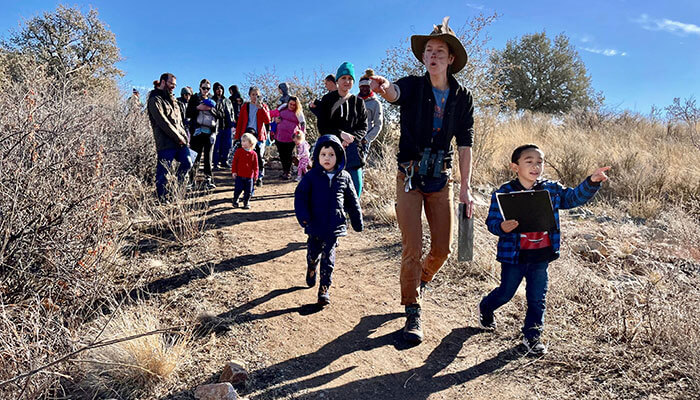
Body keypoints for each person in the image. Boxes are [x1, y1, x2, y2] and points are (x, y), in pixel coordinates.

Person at [369, 17, 475, 344]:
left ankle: (420, 280)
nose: (432, 56)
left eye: (439, 51)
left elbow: (466, 142)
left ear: (451, 59)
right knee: (412, 246)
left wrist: (466, 189)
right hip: (409, 177)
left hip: (441, 179)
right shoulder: (414, 86)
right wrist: (383, 87)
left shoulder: (462, 97)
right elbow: (394, 92)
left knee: (442, 249)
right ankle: (412, 310)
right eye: (428, 50)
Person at [481, 144, 610, 355]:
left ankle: (532, 337)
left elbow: (572, 198)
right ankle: (486, 307)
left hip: (541, 255)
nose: (535, 166)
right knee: (506, 293)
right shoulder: (503, 192)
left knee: (537, 297)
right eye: (529, 161)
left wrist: (591, 182)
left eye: (540, 162)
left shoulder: (551, 189)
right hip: (514, 256)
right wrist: (502, 227)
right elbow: (492, 222)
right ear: (515, 167)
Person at [294, 134, 363, 306]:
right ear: (317, 156)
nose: (327, 158)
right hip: (315, 225)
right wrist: (303, 218)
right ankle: (311, 267)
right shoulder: (311, 177)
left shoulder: (344, 177)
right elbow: (300, 197)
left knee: (329, 259)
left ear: (338, 156)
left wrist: (357, 221)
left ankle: (324, 289)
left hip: (334, 226)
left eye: (331, 154)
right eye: (323, 154)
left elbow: (352, 201)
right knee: (313, 254)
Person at [317, 62, 367, 196]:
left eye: (350, 78)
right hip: (331, 149)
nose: (347, 81)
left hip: (353, 149)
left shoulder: (359, 102)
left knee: (356, 188)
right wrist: (340, 135)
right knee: (332, 188)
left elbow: (363, 126)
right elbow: (322, 126)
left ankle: (353, 213)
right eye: (344, 78)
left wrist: (351, 139)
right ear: (337, 80)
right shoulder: (327, 100)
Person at [146, 73, 191, 201]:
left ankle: (177, 191)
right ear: (163, 82)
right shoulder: (155, 99)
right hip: (165, 142)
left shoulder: (173, 99)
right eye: (171, 84)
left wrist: (185, 137)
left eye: (175, 85)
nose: (173, 87)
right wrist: (178, 137)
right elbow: (163, 122)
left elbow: (179, 122)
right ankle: (162, 198)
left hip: (180, 141)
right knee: (163, 172)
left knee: (187, 162)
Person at [186, 79, 222, 189]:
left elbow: (220, 114)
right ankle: (191, 180)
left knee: (208, 157)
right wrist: (198, 108)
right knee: (195, 157)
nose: (206, 90)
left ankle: (208, 180)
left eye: (208, 88)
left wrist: (211, 109)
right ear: (200, 87)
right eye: (204, 88)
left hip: (210, 132)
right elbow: (188, 113)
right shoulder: (194, 98)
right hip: (197, 131)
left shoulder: (213, 99)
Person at [235, 86, 271, 187]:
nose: (255, 97)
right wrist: (238, 137)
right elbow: (240, 122)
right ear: (249, 95)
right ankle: (248, 177)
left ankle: (259, 177)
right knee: (247, 157)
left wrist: (261, 108)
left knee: (259, 157)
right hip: (247, 135)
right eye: (253, 94)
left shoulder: (263, 106)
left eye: (257, 95)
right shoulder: (245, 106)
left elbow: (267, 120)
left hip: (259, 135)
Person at [276, 96, 306, 179]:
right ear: (288, 103)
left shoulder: (298, 113)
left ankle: (288, 172)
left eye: (294, 105)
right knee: (282, 155)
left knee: (288, 154)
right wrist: (276, 120)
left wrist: (302, 136)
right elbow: (275, 116)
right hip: (279, 136)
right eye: (290, 104)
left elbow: (303, 123)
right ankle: (285, 171)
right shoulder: (282, 109)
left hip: (291, 137)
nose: (292, 106)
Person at [358, 69, 384, 162]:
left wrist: (367, 139)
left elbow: (378, 125)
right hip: (351, 139)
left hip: (364, 140)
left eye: (367, 86)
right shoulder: (354, 101)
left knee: (360, 164)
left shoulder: (376, 103)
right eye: (362, 87)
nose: (364, 89)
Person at [231, 132, 259, 210]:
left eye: (245, 141)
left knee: (248, 191)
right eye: (242, 141)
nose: (243, 143)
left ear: (250, 143)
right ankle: (235, 199)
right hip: (239, 175)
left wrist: (256, 175)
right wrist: (234, 171)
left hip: (249, 176)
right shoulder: (239, 151)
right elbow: (234, 163)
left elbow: (255, 166)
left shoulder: (254, 154)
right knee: (238, 189)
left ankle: (246, 202)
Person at [212, 82, 236, 169]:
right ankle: (215, 163)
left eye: (221, 88)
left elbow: (232, 112)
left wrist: (232, 122)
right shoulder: (212, 100)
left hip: (227, 126)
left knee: (227, 145)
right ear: (214, 90)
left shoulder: (227, 100)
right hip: (216, 126)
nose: (219, 90)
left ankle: (224, 161)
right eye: (217, 89)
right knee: (216, 145)